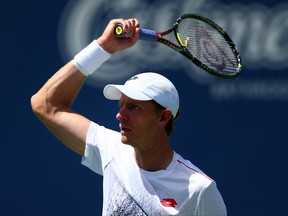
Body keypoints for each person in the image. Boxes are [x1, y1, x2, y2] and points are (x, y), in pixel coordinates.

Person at [31, 18, 227, 215]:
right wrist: (103, 47)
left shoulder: (200, 189)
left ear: (163, 118)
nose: (120, 115)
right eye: (121, 105)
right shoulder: (110, 149)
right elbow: (45, 104)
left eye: (134, 107)